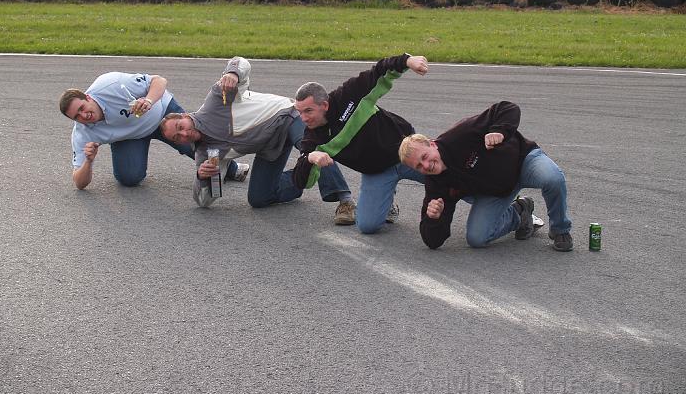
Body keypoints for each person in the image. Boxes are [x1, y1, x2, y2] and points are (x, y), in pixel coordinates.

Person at [159, 57, 355, 224]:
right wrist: (203, 178)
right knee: (259, 198)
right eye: (177, 137)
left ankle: (345, 201)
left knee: (310, 148)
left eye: (180, 127)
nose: (184, 134)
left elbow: (241, 62)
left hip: (286, 117)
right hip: (270, 147)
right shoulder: (207, 154)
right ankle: (302, 177)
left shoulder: (216, 101)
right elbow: (206, 200)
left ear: (184, 115)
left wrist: (233, 73)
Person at [398, 101, 573, 252]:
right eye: (418, 166)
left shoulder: (460, 135)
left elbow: (507, 107)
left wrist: (499, 131)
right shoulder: (436, 184)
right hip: (497, 192)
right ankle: (520, 212)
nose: (426, 166)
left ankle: (560, 229)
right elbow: (432, 242)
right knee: (477, 238)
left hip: (523, 161)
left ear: (432, 144)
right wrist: (434, 219)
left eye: (424, 157)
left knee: (552, 178)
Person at [291, 53, 428, 234]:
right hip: (377, 171)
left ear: (324, 105)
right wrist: (310, 158)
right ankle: (386, 200)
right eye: (299, 112)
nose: (303, 118)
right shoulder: (312, 139)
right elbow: (301, 182)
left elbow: (379, 70)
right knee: (367, 226)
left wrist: (407, 60)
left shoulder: (348, 95)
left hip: (406, 151)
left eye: (308, 111)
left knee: (446, 174)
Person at [59, 71, 242, 190]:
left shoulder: (110, 84)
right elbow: (79, 182)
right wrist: (88, 161)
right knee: (129, 178)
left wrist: (148, 100)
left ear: (88, 97)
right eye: (77, 116)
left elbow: (159, 80)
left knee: (193, 141)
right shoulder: (83, 132)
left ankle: (232, 168)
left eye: (82, 108)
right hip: (131, 136)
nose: (84, 116)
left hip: (162, 113)